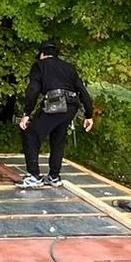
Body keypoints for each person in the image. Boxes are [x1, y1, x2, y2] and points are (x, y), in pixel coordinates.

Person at [17, 43, 92, 187]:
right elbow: (82, 91)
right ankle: (54, 176)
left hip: (55, 102)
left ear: (42, 54)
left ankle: (33, 176)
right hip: (71, 106)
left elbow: (33, 90)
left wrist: (26, 113)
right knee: (58, 137)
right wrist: (89, 115)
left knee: (31, 134)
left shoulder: (40, 65)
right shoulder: (69, 67)